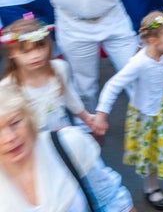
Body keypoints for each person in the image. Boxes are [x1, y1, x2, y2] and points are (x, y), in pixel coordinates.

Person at [95, 11, 163, 211]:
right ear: (153, 40)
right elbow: (113, 85)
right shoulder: (139, 62)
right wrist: (102, 114)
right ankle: (151, 188)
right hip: (148, 116)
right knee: (151, 153)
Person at [0, 81, 135, 211]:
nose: (10, 138)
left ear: (29, 118)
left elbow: (112, 200)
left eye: (15, 122)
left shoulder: (67, 144)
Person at [0, 17, 95, 132]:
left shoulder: (60, 67)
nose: (36, 55)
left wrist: (87, 118)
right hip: (33, 140)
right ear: (11, 53)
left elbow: (69, 96)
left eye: (41, 47)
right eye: (26, 51)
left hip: (62, 132)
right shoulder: (7, 86)